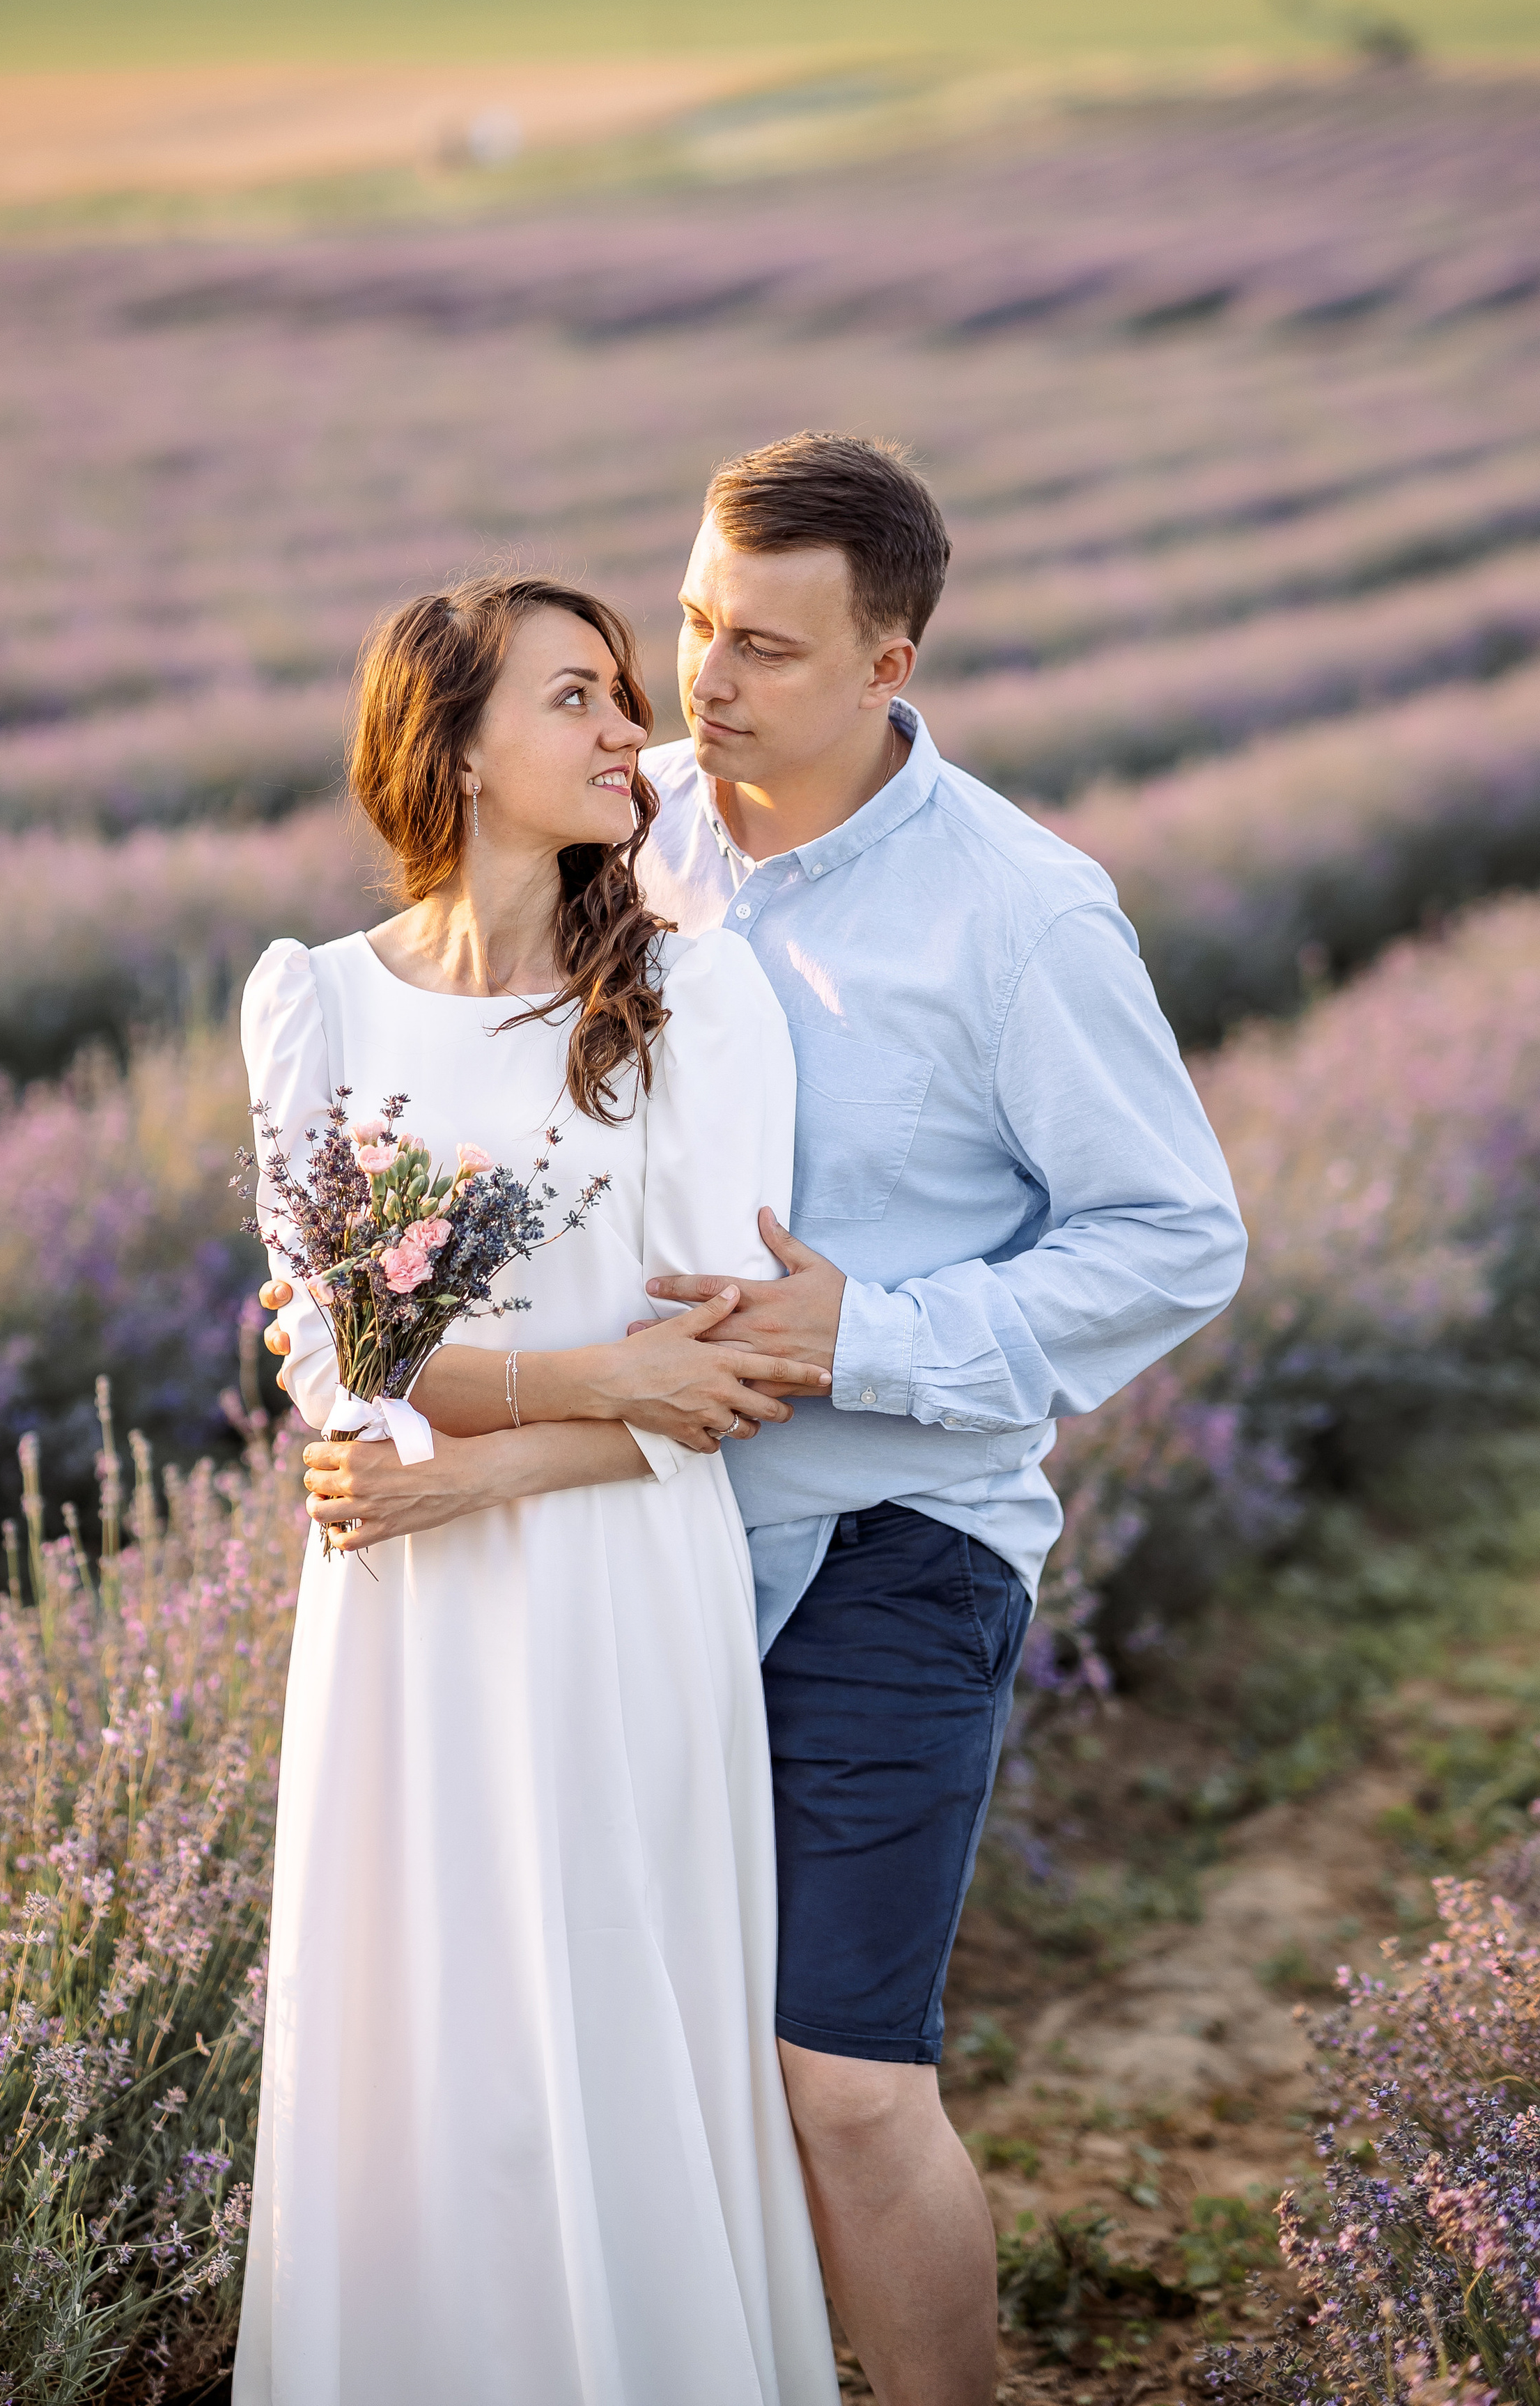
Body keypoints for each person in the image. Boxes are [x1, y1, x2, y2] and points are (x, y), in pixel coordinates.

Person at [279, 436, 1248, 2406]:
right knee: (626, 2069)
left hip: (897, 1533)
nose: (700, 684)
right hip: (641, 1547)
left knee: (843, 2085)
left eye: (767, 651)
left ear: (893, 662)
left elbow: (1178, 1236)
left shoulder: (1021, 913)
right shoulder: (638, 849)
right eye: (696, 624)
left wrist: (861, 1333)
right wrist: (365, 1333)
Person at [233, 575, 841, 2406]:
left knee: (605, 2021)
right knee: (419, 2046)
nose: (627, 733)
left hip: (608, 1586)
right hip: (400, 1607)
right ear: (458, 744)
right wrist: (582, 1382)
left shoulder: (692, 993)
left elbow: (725, 1373)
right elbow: (336, 1364)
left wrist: (473, 1465)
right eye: (575, 699)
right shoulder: (312, 1003)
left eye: (622, 695)